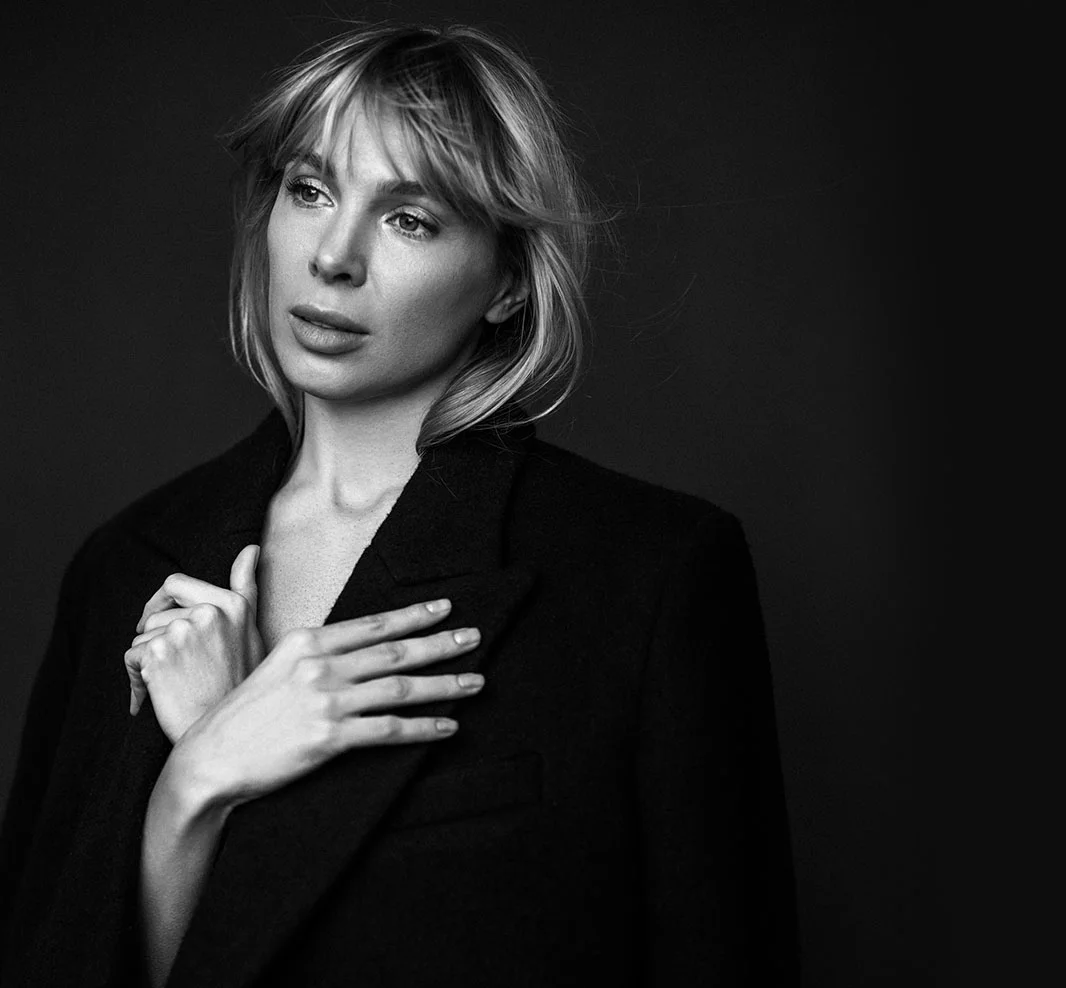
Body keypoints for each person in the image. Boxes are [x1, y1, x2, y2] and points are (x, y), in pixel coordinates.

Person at [0, 22, 798, 988]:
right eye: (311, 189)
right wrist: (194, 786)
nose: (334, 257)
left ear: (507, 281)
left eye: (410, 218)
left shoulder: (653, 574)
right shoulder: (124, 564)